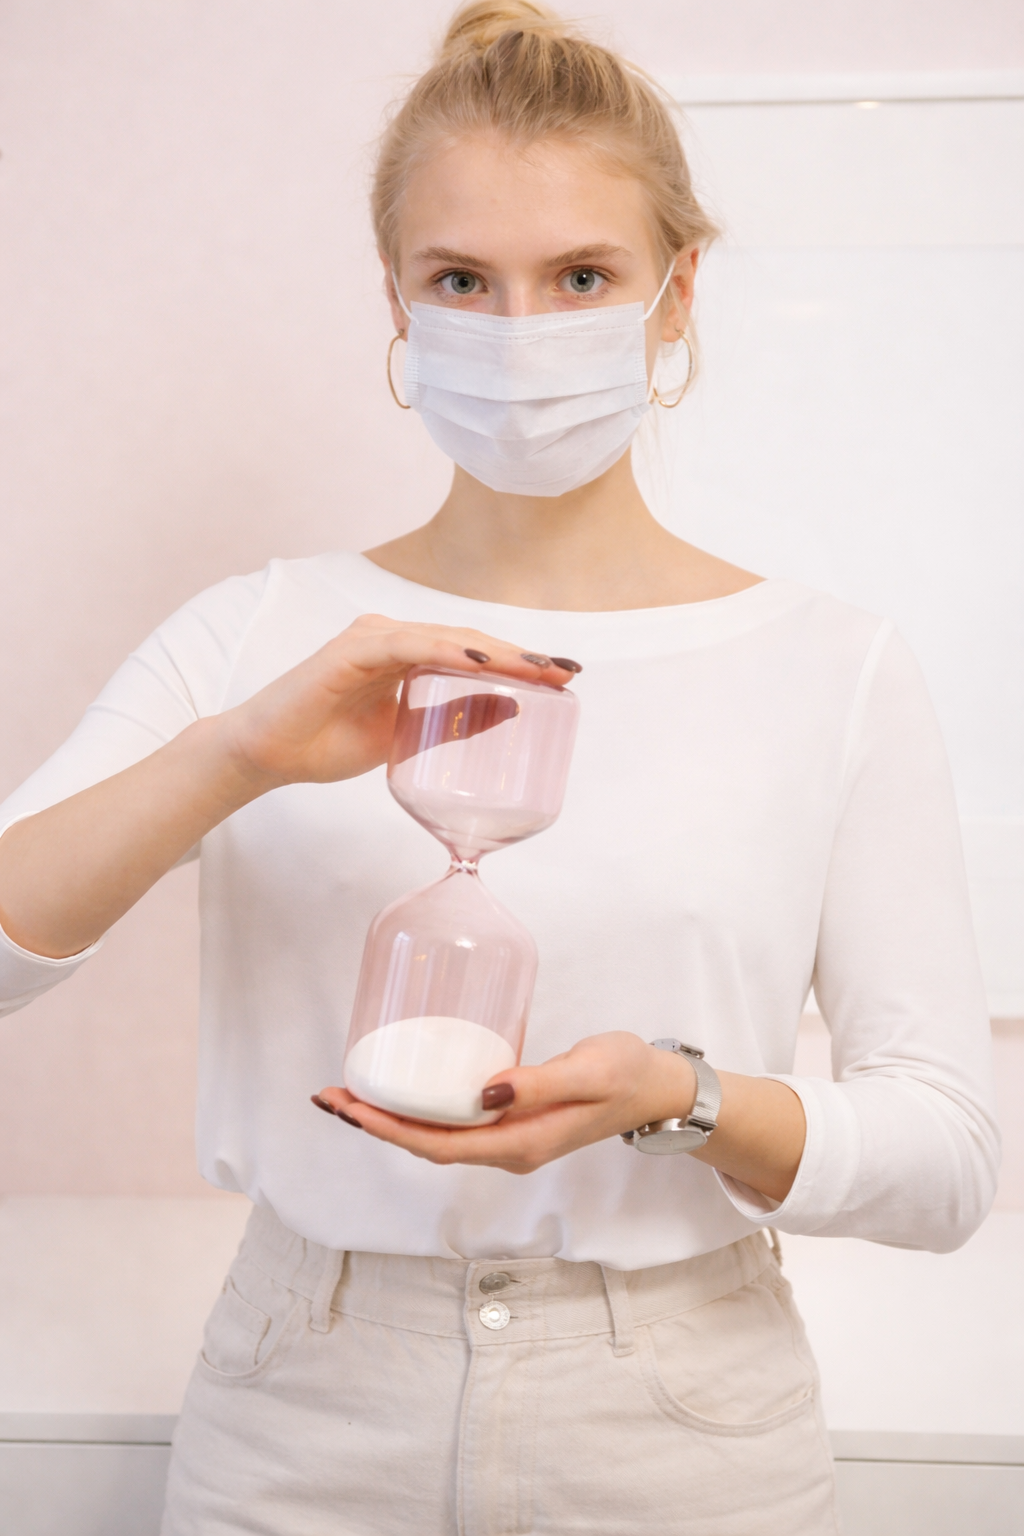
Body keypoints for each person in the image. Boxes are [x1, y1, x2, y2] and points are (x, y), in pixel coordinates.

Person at [0, 4, 999, 1532]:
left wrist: (681, 1095)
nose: (519, 332)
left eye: (582, 276)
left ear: (676, 295)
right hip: (300, 1397)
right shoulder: (261, 631)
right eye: (463, 279)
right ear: (396, 303)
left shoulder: (834, 664)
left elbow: (943, 1162)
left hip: (680, 1419)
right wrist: (246, 752)